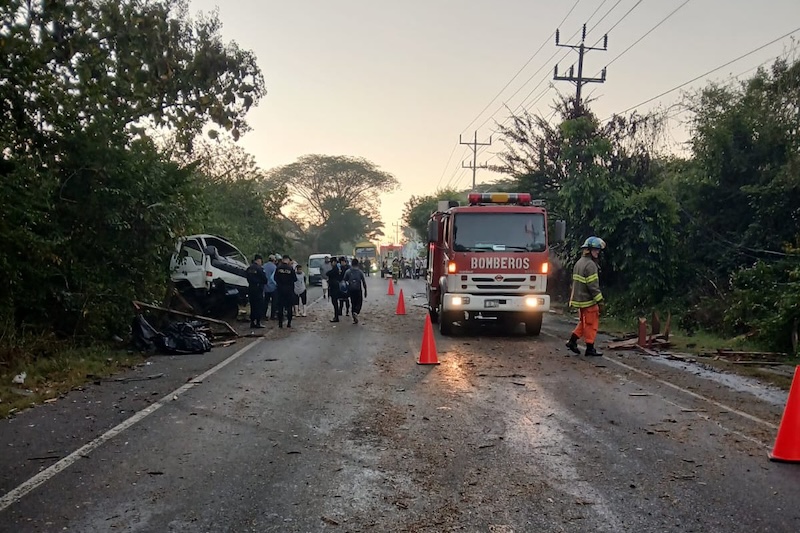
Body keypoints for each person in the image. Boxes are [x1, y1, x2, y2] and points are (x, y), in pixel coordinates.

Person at [565, 236, 607, 357]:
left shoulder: (579, 262)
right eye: (595, 249)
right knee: (591, 324)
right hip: (588, 301)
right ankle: (590, 348)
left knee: (584, 323)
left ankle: (572, 341)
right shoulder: (590, 265)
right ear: (588, 250)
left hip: (579, 300)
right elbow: (593, 287)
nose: (597, 252)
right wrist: (600, 301)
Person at [343, 258, 368, 324]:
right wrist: (365, 290)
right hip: (358, 289)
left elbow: (344, 280)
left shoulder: (348, 271)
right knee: (359, 302)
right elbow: (363, 282)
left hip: (351, 290)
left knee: (353, 303)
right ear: (357, 264)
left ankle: (354, 316)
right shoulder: (360, 272)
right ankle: (356, 312)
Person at [274, 255, 296, 328]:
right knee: (289, 307)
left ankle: (280, 323)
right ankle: (289, 323)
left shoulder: (278, 268)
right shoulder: (290, 268)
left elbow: (275, 278)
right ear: (287, 260)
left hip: (280, 290)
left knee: (280, 307)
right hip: (289, 290)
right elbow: (295, 279)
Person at [245, 254, 266, 329]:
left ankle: (252, 322)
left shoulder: (249, 268)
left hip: (251, 288)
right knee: (259, 306)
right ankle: (258, 322)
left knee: (252, 306)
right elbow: (265, 279)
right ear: (259, 260)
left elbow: (246, 276)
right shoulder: (259, 269)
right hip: (258, 289)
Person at [326, 257, 344, 322]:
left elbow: (328, 273)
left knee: (335, 303)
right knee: (335, 303)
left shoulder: (335, 269)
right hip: (335, 287)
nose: (331, 264)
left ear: (334, 262)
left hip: (334, 288)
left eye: (331, 262)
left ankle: (336, 317)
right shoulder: (337, 269)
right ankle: (336, 316)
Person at [263, 254, 277, 320]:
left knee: (265, 302)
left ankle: (263, 315)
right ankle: (272, 316)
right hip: (273, 287)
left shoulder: (264, 266)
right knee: (274, 302)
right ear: (274, 260)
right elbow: (274, 278)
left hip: (265, 287)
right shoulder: (274, 267)